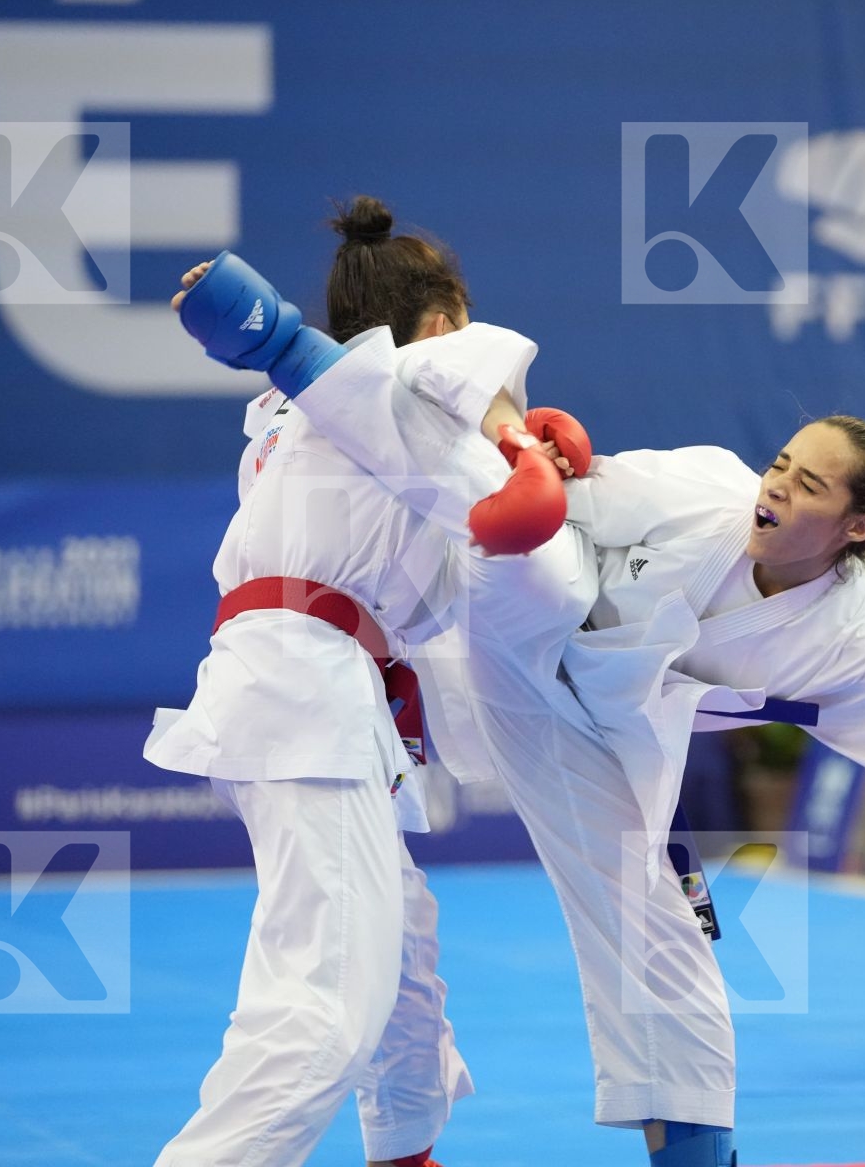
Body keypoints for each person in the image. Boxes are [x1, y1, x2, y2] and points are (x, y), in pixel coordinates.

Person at [179, 205, 865, 1167]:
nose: (775, 484)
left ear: (859, 528)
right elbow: (505, 449)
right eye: (781, 462)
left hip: (596, 740)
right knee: (535, 541)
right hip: (489, 643)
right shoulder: (700, 487)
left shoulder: (853, 650)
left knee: (666, 954)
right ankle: (282, 344)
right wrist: (531, 450)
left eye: (806, 483)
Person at [146, 210, 576, 1167]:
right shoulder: (414, 377)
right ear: (441, 322)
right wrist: (522, 441)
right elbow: (468, 370)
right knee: (320, 1013)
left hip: (314, 684)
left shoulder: (305, 413)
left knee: (403, 960)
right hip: (307, 689)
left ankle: (406, 1152)